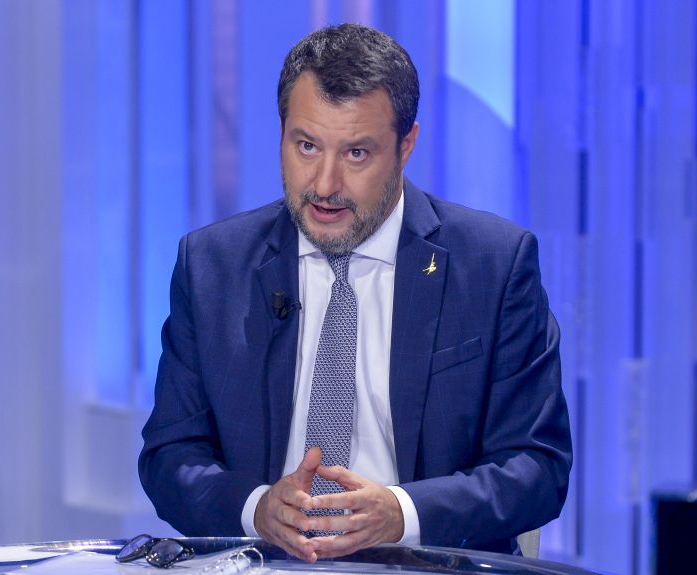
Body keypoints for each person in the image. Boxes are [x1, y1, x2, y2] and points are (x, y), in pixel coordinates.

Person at [139, 23, 572, 563]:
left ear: (406, 145)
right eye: (306, 146)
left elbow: (537, 467)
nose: (324, 185)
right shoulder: (212, 265)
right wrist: (256, 509)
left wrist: (401, 513)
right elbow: (170, 456)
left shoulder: (493, 265)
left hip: (428, 566)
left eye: (357, 154)